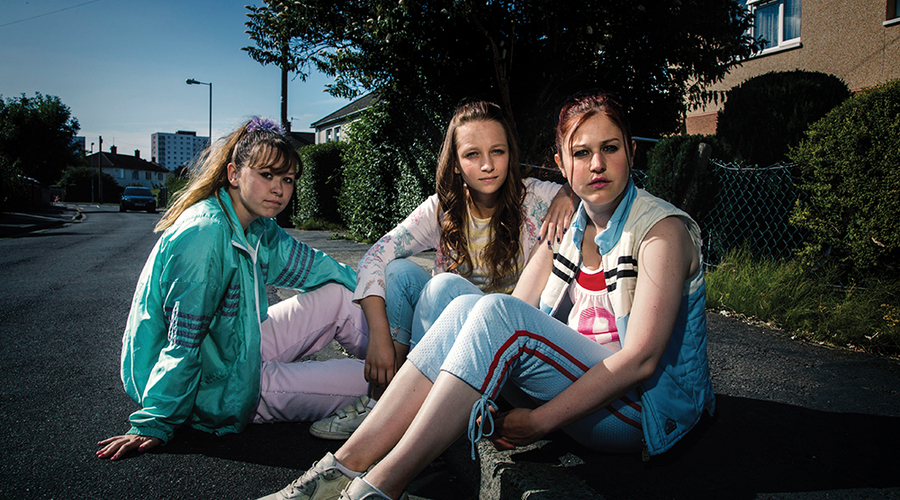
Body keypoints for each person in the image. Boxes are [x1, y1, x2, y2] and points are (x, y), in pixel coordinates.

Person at [259, 89, 715, 500]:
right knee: (462, 306)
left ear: (630, 153)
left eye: (609, 149)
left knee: (493, 310)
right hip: (580, 395)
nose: (596, 164)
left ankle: (378, 488)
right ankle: (336, 471)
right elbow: (519, 304)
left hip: (639, 413)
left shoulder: (661, 231)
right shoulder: (571, 229)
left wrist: (537, 422)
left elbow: (641, 360)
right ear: (562, 163)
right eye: (581, 153)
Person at [96, 117, 369, 460]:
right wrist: (156, 421)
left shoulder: (255, 225)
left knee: (340, 294)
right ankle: (414, 389)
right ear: (233, 174)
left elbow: (315, 266)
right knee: (370, 382)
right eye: (266, 175)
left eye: (287, 179)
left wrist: (372, 288)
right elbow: (183, 342)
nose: (279, 189)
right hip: (215, 386)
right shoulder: (206, 234)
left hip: (237, 347)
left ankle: (415, 364)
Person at [309, 100, 576, 440]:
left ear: (511, 153)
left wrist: (569, 192)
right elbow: (376, 255)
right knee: (401, 274)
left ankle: (392, 412)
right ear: (455, 165)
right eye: (472, 155)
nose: (488, 165)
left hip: (509, 344)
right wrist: (378, 336)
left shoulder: (537, 198)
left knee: (442, 287)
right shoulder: (443, 209)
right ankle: (387, 402)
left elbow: (598, 190)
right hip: (452, 345)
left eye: (498, 151)